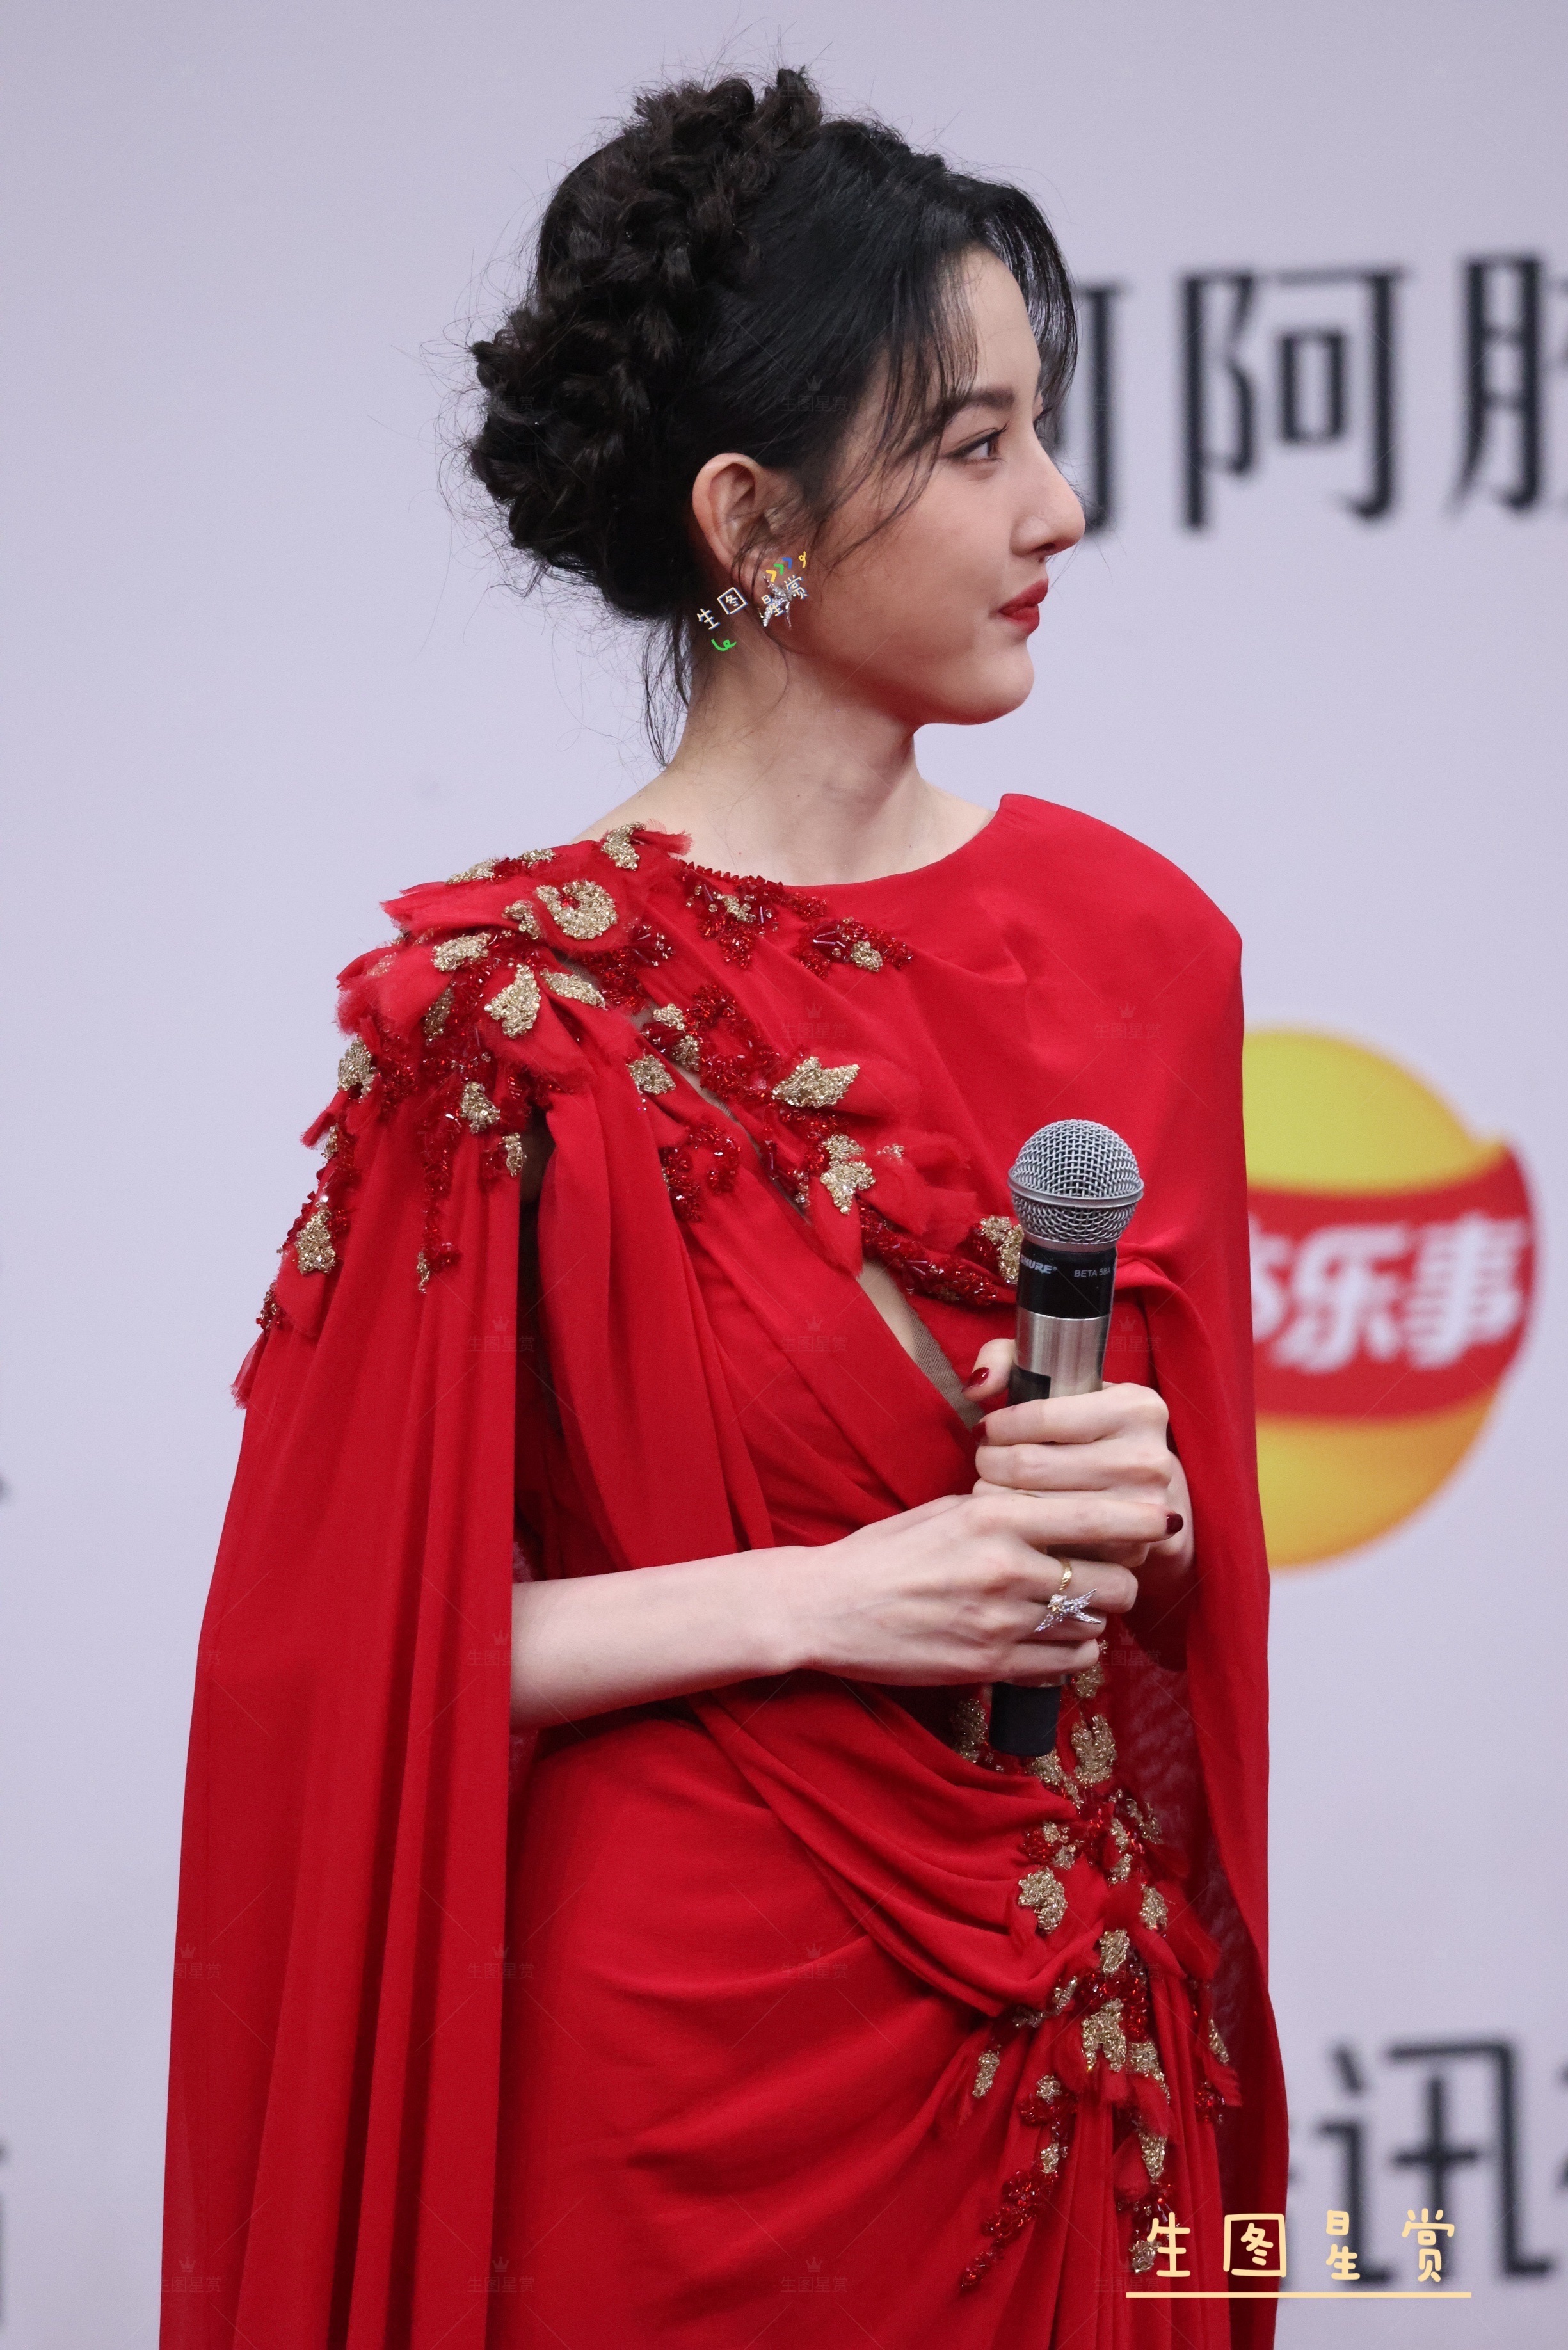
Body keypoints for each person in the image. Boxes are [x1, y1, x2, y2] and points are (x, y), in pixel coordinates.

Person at [161, 65, 1284, 2350]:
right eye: (973, 447)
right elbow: (344, 1662)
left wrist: (1147, 1506)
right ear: (751, 518)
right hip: (678, 2077)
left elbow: (1175, 1632)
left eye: (1043, 430)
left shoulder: (1143, 944)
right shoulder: (505, 1015)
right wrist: (813, 1601)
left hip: (1068, 2031)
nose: (1058, 507)